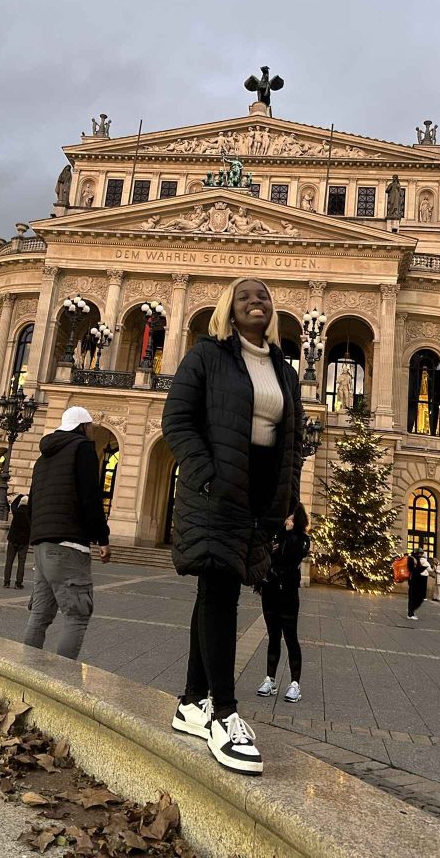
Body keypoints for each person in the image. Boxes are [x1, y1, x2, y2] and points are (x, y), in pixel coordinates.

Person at [163, 277, 303, 776]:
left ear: (274, 309)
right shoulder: (207, 355)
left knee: (216, 591)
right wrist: (206, 476)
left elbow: (292, 442)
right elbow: (176, 420)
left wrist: (286, 497)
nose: (256, 302)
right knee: (220, 588)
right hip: (217, 489)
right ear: (229, 309)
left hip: (261, 494)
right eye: (245, 296)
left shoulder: (284, 371)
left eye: (264, 295)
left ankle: (190, 701)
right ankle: (224, 714)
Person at [23, 406, 111, 660]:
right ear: (82, 426)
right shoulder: (82, 448)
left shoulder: (43, 458)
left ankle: (24, 673)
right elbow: (90, 497)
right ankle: (61, 682)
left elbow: (33, 500)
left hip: (42, 546)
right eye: (90, 426)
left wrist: (37, 536)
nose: (92, 431)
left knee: (39, 615)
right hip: (69, 546)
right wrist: (102, 537)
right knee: (77, 616)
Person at [256, 502, 311, 703]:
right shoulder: (275, 535)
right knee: (273, 635)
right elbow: (262, 554)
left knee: (290, 637)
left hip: (288, 594)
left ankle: (295, 683)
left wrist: (289, 534)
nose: (287, 520)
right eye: (285, 517)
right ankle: (270, 678)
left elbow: (295, 554)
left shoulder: (302, 539)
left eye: (291, 517)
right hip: (270, 590)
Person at [4, 493, 31, 589]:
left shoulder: (16, 511)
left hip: (13, 539)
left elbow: (14, 504)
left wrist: (21, 496)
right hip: (24, 541)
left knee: (9, 561)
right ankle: (18, 583)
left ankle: (6, 582)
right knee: (21, 562)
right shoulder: (29, 514)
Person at [406, 548, 432, 620]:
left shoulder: (416, 559)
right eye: (420, 553)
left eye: (421, 553)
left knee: (416, 597)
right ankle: (410, 613)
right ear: (417, 553)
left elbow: (417, 569)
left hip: (416, 579)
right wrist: (421, 569)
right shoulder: (412, 559)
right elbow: (412, 569)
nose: (421, 555)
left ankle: (412, 611)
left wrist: (422, 568)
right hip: (413, 579)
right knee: (413, 597)